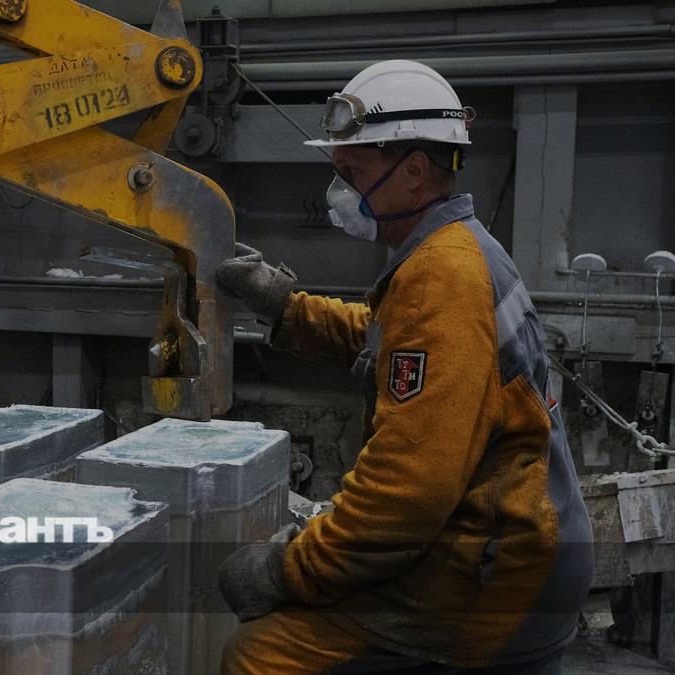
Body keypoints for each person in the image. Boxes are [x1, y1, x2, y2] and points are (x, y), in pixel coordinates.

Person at [214, 59, 592, 674]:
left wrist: (287, 569)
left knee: (258, 654)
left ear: (414, 171)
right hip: (507, 548)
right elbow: (388, 344)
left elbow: (405, 500)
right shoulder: (457, 249)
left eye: (352, 173)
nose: (339, 191)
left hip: (495, 580)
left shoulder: (442, 277)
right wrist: (284, 307)